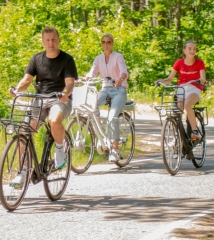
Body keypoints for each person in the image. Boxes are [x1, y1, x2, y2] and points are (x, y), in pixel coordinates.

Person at [10, 26, 78, 187]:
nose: (51, 43)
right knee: (24, 131)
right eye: (47, 40)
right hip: (39, 99)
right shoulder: (36, 59)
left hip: (59, 99)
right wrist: (17, 90)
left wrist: (64, 93)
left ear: (58, 40)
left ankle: (60, 150)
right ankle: (23, 171)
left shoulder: (67, 59)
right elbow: (27, 80)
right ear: (43, 42)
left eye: (54, 39)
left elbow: (70, 83)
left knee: (54, 120)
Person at [87, 33, 129, 162]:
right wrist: (85, 78)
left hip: (119, 90)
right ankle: (99, 127)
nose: (106, 44)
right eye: (104, 42)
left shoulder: (118, 57)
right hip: (105, 89)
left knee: (112, 117)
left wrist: (121, 79)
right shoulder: (98, 59)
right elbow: (92, 73)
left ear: (112, 44)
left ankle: (115, 149)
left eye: (109, 42)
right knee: (90, 104)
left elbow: (124, 71)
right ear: (101, 43)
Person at [155, 40, 206, 141]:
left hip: (194, 88)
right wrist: (160, 81)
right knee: (177, 110)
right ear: (184, 50)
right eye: (190, 49)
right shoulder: (179, 63)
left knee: (187, 104)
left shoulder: (200, 63)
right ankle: (177, 134)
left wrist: (201, 80)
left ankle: (194, 131)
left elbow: (203, 79)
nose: (192, 51)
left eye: (194, 49)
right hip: (181, 88)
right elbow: (169, 79)